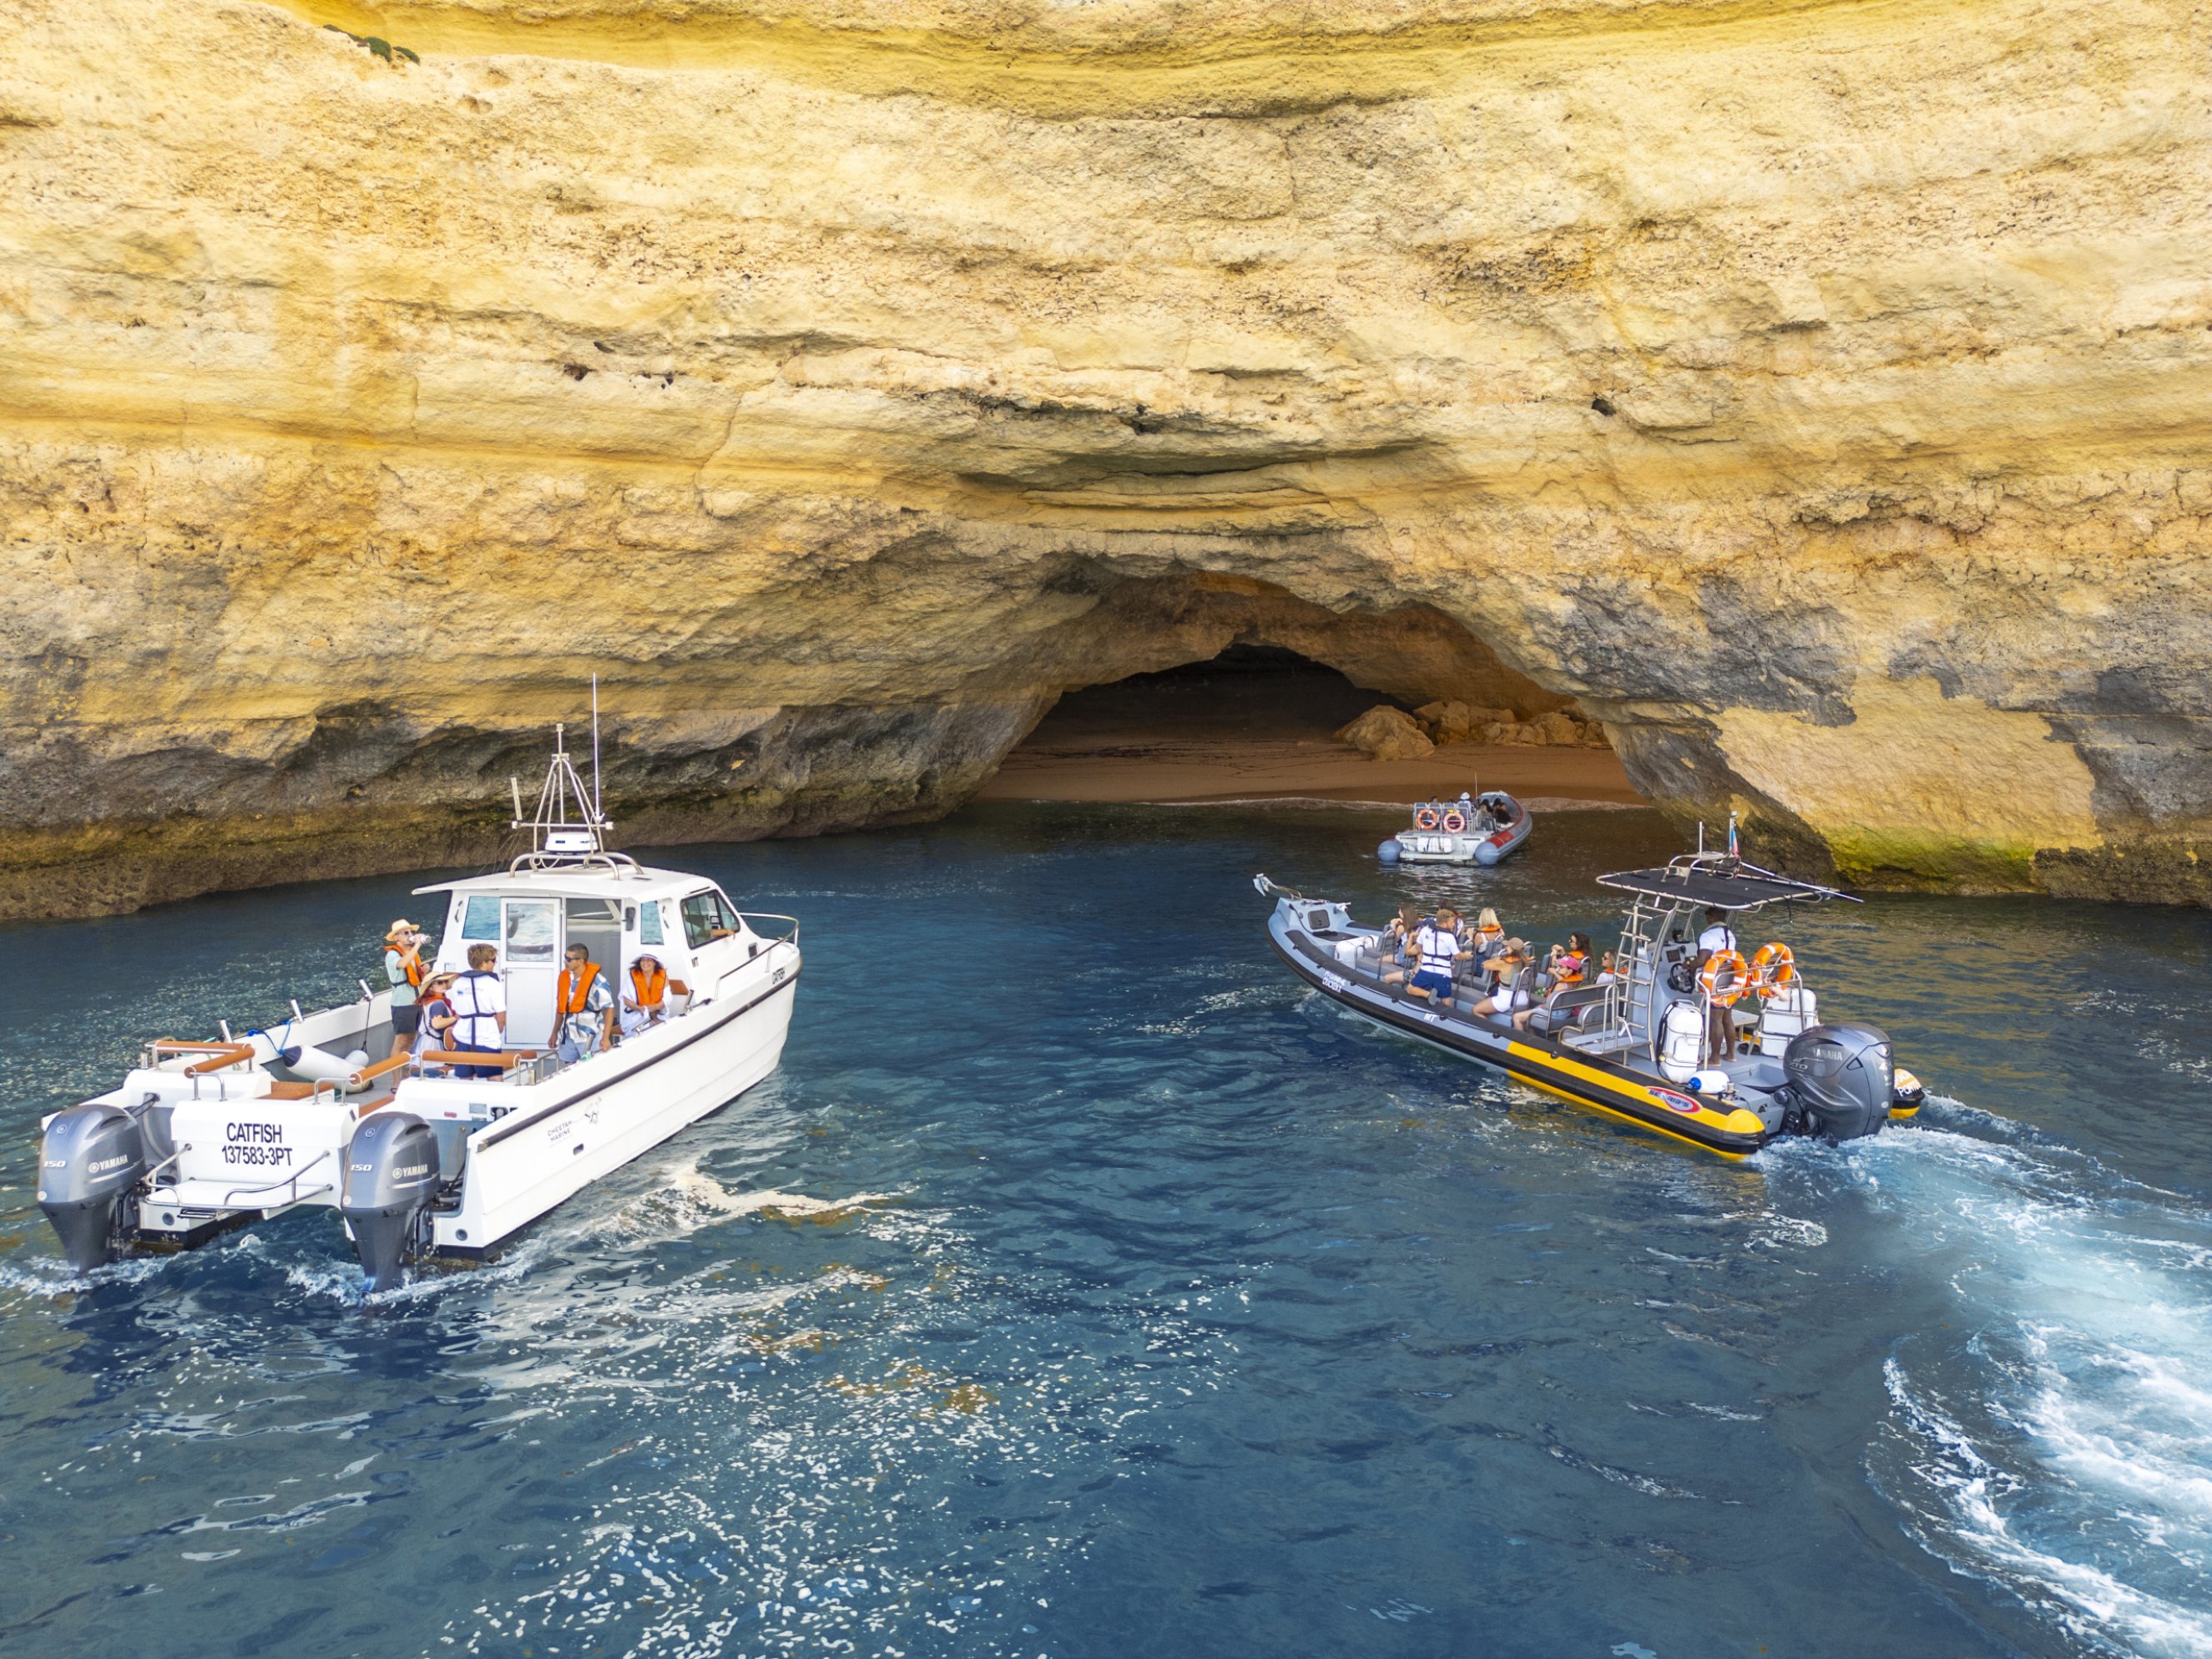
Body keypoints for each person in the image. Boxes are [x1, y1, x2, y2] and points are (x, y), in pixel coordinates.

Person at [551, 943, 619, 1062]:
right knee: (568, 1069)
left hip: (590, 1038)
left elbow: (609, 1009)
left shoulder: (598, 982)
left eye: (569, 959)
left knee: (591, 1069)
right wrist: (554, 1033)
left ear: (581, 961)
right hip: (568, 1037)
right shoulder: (565, 979)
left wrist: (605, 1038)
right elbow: (560, 1008)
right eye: (565, 957)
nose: (565, 961)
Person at [447, 943, 507, 1078]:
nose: (495, 964)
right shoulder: (493, 984)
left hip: (463, 1036)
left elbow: (457, 1012)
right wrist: (497, 1030)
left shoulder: (457, 983)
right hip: (487, 1038)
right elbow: (501, 1016)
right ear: (484, 963)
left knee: (465, 1077)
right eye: (493, 960)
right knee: (494, 1077)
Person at [1695, 906, 1741, 1063]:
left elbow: (1702, 959)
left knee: (1716, 1019)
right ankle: (1730, 1054)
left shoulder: (1708, 935)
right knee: (1727, 1018)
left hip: (1715, 980)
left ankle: (1714, 1058)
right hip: (1731, 978)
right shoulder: (1729, 934)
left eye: (1707, 914)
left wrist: (1688, 965)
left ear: (1711, 916)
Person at [1404, 905, 1470, 1006]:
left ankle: (1428, 994)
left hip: (1426, 970)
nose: (1454, 924)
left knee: (1410, 988)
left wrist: (1425, 954)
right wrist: (1466, 955)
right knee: (1445, 998)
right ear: (1444, 924)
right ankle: (1449, 1014)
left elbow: (1418, 947)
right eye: (1452, 922)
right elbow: (1457, 956)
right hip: (1443, 973)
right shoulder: (1450, 937)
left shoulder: (1425, 930)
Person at [384, 918, 427, 1061]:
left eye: (411, 932)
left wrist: (424, 971)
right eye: (405, 933)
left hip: (416, 1001)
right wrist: (417, 944)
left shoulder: (411, 953)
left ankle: (405, 1070)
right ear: (396, 937)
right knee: (401, 1041)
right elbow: (402, 964)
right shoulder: (392, 954)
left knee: (411, 1039)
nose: (410, 935)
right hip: (402, 1003)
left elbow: (413, 975)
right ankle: (396, 1075)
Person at [621, 952, 691, 1036]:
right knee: (642, 1031)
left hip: (658, 1014)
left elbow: (668, 998)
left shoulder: (663, 976)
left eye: (649, 960)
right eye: (643, 960)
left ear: (655, 963)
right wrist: (639, 1008)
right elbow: (626, 1000)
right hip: (635, 1015)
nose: (645, 963)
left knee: (661, 1030)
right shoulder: (631, 977)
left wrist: (656, 1007)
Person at [1471, 941, 1536, 1021]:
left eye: (1508, 946)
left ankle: (1489, 1028)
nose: (1506, 947)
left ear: (1512, 949)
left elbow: (1484, 965)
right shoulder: (1526, 962)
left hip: (1506, 1000)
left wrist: (1497, 960)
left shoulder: (1504, 963)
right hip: (1523, 998)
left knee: (1475, 1010)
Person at [413, 971, 460, 1071]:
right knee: (435, 1072)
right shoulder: (439, 1003)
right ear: (430, 987)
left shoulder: (429, 1001)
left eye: (445, 982)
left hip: (425, 1042)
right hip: (434, 1045)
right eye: (439, 983)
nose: (443, 984)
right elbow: (437, 1024)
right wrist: (456, 1017)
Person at [1377, 904, 1423, 989]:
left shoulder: (1402, 927)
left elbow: (1394, 942)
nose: (1398, 912)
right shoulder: (1418, 926)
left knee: (1379, 960)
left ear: (1403, 913)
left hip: (1402, 957)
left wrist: (1393, 925)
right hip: (1412, 958)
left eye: (1400, 911)